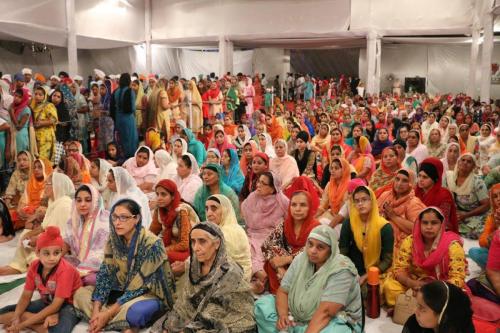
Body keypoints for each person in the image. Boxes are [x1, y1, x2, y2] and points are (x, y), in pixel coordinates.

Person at [74, 199, 175, 333]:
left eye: (123, 217)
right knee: (80, 294)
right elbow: (106, 274)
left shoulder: (152, 244)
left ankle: (112, 318)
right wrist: (96, 310)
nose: (117, 222)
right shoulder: (113, 240)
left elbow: (141, 286)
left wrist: (108, 312)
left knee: (136, 313)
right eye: (115, 217)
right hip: (120, 290)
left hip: (147, 294)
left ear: (136, 219)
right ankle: (107, 319)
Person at [255, 225, 363, 333]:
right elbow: (283, 290)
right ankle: (294, 328)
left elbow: (326, 312)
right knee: (263, 305)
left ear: (331, 250)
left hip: (331, 321)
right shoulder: (301, 258)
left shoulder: (342, 270)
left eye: (320, 247)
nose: (312, 251)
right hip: (297, 315)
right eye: (310, 244)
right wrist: (282, 315)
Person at [152, 222, 255, 332]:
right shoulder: (195, 268)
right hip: (193, 315)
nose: (196, 248)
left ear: (217, 243)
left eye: (202, 241)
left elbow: (241, 314)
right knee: (167, 324)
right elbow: (185, 301)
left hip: (219, 320)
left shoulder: (231, 273)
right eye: (193, 242)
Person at [0, 226, 82, 333]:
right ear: (38, 253)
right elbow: (26, 296)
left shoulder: (66, 270)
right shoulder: (34, 266)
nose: (52, 258)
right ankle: (37, 322)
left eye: (56, 253)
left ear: (61, 252)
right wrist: (16, 317)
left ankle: (35, 321)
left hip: (70, 305)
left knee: (60, 330)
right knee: (4, 312)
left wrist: (22, 324)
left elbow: (56, 306)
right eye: (46, 253)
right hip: (48, 300)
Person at [382, 207, 465, 307]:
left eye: (434, 223)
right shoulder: (410, 241)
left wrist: (432, 289)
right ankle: (425, 306)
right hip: (416, 282)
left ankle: (416, 305)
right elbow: (399, 268)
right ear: (419, 224)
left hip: (441, 286)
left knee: (455, 299)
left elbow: (458, 278)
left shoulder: (452, 246)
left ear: (441, 224)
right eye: (425, 223)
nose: (429, 227)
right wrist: (411, 283)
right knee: (390, 287)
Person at [261, 191, 320, 294]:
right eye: (293, 205)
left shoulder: (316, 228)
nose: (297, 209)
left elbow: (314, 252)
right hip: (284, 269)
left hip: (306, 267)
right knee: (273, 252)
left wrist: (288, 259)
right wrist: (279, 267)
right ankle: (278, 294)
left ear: (310, 207)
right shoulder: (285, 225)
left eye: (303, 205)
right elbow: (266, 245)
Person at [241, 172, 289, 288]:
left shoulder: (282, 201)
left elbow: (289, 221)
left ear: (273, 188)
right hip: (253, 233)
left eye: (263, 183)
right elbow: (247, 218)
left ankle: (260, 278)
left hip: (272, 237)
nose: (258, 185)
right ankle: (261, 276)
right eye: (258, 181)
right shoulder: (253, 197)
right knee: (245, 250)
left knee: (264, 253)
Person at [339, 186, 394, 287]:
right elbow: (343, 252)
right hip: (351, 270)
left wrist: (368, 275)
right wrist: (350, 272)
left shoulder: (385, 227)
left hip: (377, 271)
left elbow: (387, 260)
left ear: (372, 201)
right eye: (356, 201)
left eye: (364, 200)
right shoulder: (348, 223)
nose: (360, 204)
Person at [63, 184, 109, 286]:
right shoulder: (73, 220)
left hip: (100, 266)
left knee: (89, 279)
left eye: (88, 200)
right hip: (78, 260)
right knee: (54, 264)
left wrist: (83, 269)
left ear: (96, 201)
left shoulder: (105, 220)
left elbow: (102, 253)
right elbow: (65, 242)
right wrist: (56, 257)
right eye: (79, 200)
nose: (82, 204)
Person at [149, 179, 199, 264]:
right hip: (168, 247)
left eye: (163, 194)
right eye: (157, 194)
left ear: (173, 196)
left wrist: (164, 249)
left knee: (161, 256)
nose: (159, 198)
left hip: (190, 249)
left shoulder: (181, 211)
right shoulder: (160, 210)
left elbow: (185, 244)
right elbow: (152, 233)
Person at [205, 194, 252, 281]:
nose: (209, 213)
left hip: (237, 279)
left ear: (225, 210)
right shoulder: (219, 229)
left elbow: (219, 263)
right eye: (207, 209)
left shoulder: (229, 232)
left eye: (214, 208)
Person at [378, 169, 426, 254]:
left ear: (411, 183)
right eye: (397, 179)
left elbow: (418, 229)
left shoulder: (413, 203)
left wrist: (393, 217)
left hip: (402, 249)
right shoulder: (385, 195)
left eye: (405, 181)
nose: (399, 183)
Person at [443, 153, 490, 239]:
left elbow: (486, 205)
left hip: (475, 214)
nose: (465, 163)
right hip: (457, 213)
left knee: (478, 231)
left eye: (469, 162)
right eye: (463, 160)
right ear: (458, 162)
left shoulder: (477, 182)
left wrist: (466, 214)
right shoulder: (449, 177)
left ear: (473, 167)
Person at [402, 281, 474, 333]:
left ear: (443, 315)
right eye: (418, 305)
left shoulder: (463, 329)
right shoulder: (414, 324)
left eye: (422, 308)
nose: (416, 311)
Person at [416, 157, 458, 233]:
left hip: (437, 232)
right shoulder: (416, 191)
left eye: (425, 177)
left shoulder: (444, 195)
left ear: (435, 179)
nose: (420, 179)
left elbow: (443, 221)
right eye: (419, 175)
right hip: (416, 227)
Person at [10, 157, 53, 230]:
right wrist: (20, 210)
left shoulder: (51, 184)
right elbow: (23, 200)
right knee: (9, 215)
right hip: (28, 210)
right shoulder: (31, 182)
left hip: (41, 212)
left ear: (46, 168)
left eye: (40, 167)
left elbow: (50, 204)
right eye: (35, 167)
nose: (36, 169)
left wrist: (35, 213)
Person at [468, 183, 500, 268]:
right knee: (473, 252)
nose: (499, 199)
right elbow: (482, 240)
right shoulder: (492, 217)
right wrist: (491, 238)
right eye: (495, 196)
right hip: (497, 253)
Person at [316, 158, 351, 227]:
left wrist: (331, 225)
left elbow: (346, 212)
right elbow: (323, 205)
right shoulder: (329, 185)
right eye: (331, 168)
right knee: (314, 224)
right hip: (331, 215)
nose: (333, 171)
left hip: (345, 221)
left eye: (336, 168)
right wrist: (313, 217)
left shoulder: (350, 186)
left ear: (344, 170)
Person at [110, 73, 138, 159]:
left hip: (118, 118)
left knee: (120, 140)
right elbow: (132, 108)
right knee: (130, 139)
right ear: (129, 81)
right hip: (128, 118)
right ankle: (130, 159)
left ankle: (121, 159)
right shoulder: (130, 91)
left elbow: (112, 108)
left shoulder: (115, 91)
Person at [31, 86, 58, 161]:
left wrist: (42, 123)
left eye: (40, 95)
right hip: (36, 136)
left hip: (46, 137)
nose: (37, 96)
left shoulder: (48, 105)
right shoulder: (33, 106)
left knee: (43, 159)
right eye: (36, 94)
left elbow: (54, 119)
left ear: (45, 96)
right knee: (37, 158)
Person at [9, 88, 31, 154]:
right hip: (12, 134)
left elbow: (19, 127)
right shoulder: (13, 106)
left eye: (20, 97)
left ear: (24, 98)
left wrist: (12, 114)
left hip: (20, 136)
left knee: (19, 156)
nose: (16, 98)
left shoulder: (26, 109)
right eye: (15, 95)